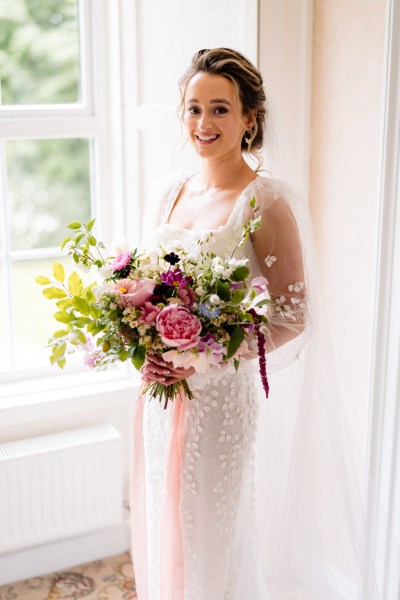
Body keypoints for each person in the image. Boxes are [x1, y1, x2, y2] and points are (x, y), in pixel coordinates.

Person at [130, 48, 395, 600]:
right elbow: (146, 284)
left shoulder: (264, 201)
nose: (204, 124)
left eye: (221, 109)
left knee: (211, 534)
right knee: (165, 518)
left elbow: (295, 313)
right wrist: (144, 338)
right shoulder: (167, 193)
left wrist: (200, 354)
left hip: (221, 400)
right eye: (194, 108)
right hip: (161, 397)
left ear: (250, 118)